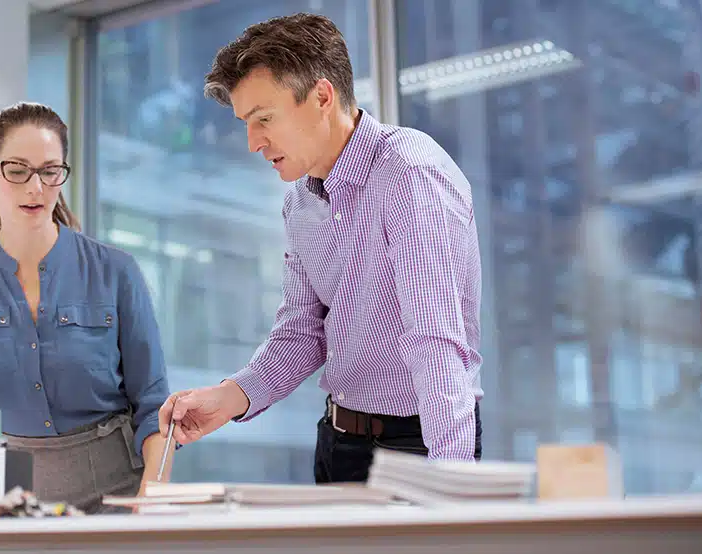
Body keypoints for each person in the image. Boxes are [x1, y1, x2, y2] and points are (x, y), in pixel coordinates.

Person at [158, 13, 484, 483]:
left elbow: (435, 342)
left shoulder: (408, 175)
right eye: (246, 124)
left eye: (263, 119)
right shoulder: (301, 201)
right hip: (340, 443)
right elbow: (303, 332)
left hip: (421, 447)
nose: (252, 143)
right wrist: (228, 399)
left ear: (322, 97)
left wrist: (453, 485)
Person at [0, 102, 172, 513]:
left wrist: (149, 505)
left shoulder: (117, 273)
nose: (35, 187)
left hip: (119, 490)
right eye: (18, 170)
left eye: (49, 170)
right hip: (15, 489)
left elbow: (154, 407)